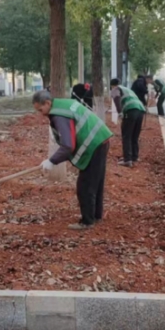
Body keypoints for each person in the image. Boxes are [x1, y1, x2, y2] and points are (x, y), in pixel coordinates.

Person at [33, 89, 113, 230]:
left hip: (94, 143)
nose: (41, 114)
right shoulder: (64, 103)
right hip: (100, 138)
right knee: (96, 181)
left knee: (85, 185)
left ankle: (87, 222)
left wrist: (51, 161)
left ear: (47, 103)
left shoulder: (59, 115)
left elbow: (68, 146)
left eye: (41, 109)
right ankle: (96, 216)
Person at [110, 78, 146, 167]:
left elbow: (116, 98)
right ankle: (134, 156)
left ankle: (127, 160)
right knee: (134, 135)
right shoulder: (126, 89)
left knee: (126, 135)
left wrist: (120, 112)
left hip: (130, 111)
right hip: (140, 110)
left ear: (112, 85)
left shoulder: (115, 89)